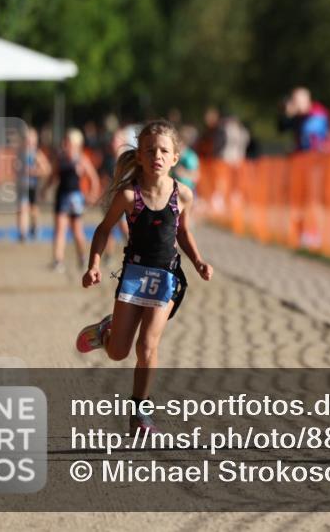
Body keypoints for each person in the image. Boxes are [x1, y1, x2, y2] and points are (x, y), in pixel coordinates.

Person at [76, 120, 213, 432]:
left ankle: (140, 412)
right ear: (139, 156)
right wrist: (94, 264)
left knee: (147, 347)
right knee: (118, 352)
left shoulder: (183, 195)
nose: (157, 156)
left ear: (175, 158)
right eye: (150, 150)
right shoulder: (128, 196)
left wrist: (199, 261)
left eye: (164, 150)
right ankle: (106, 332)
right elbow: (102, 230)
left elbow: (183, 232)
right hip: (135, 275)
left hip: (167, 276)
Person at [42, 128, 100, 271]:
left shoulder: (81, 159)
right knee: (60, 229)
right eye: (65, 141)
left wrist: (93, 194)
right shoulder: (60, 159)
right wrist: (45, 189)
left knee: (77, 231)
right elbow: (52, 177)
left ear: (76, 143)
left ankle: (82, 257)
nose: (65, 143)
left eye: (68, 141)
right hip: (61, 197)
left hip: (75, 199)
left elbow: (93, 178)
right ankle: (58, 260)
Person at [279, 86, 330, 153]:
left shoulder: (316, 116)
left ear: (304, 100)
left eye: (295, 100)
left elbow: (309, 146)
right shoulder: (301, 117)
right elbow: (282, 128)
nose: (293, 104)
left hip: (319, 156)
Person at [16, 127, 51, 242]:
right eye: (27, 139)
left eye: (31, 139)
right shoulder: (20, 152)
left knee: (33, 209)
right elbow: (15, 167)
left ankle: (35, 227)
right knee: (22, 208)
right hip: (22, 185)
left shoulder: (36, 153)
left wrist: (33, 171)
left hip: (33, 185)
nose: (29, 141)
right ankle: (22, 233)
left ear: (35, 141)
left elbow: (46, 169)